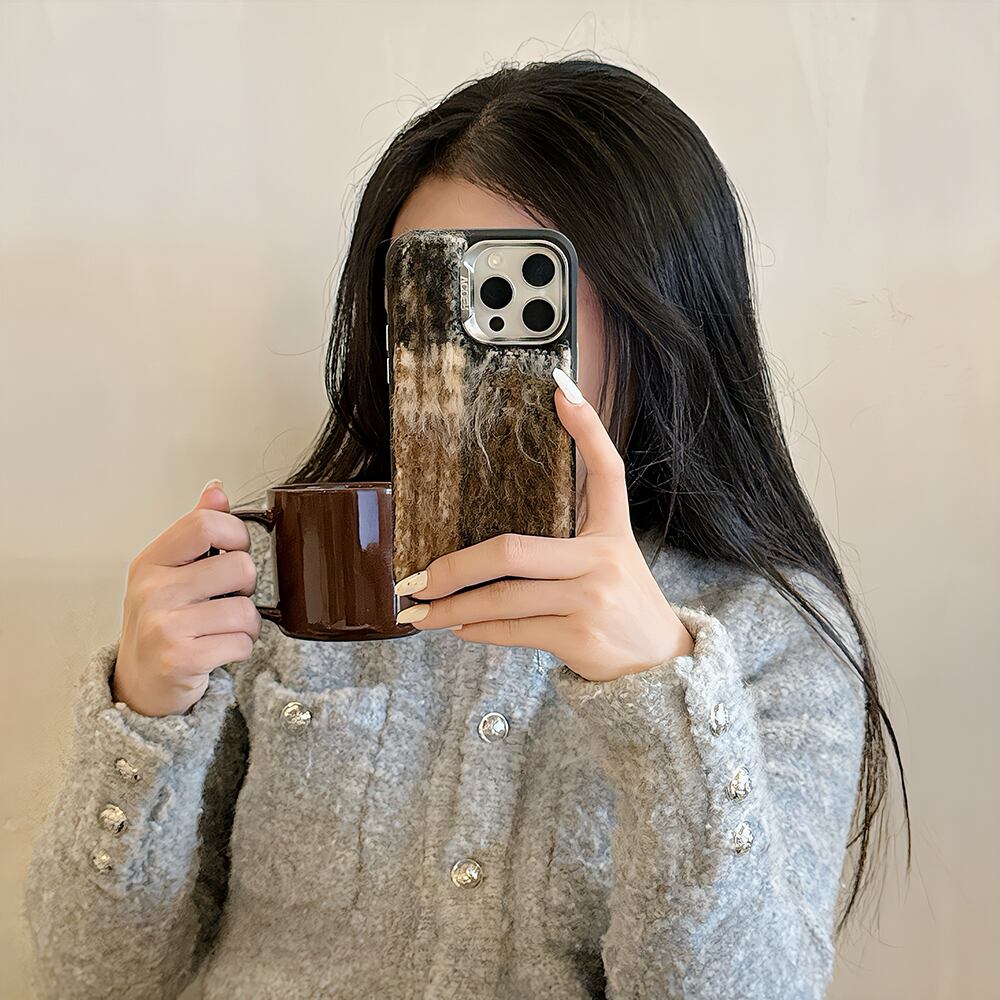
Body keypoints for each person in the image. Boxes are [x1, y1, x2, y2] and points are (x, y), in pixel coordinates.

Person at [22, 57, 908, 999]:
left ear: (660, 308)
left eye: (516, 292)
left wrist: (666, 705)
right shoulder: (287, 575)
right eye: (427, 295)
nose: (462, 346)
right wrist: (143, 711)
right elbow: (95, 977)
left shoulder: (769, 634)